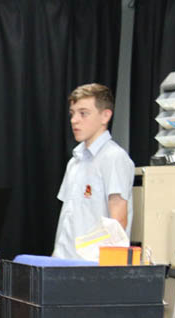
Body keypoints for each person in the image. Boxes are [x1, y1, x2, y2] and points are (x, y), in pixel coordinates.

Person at [53, 83, 135, 259]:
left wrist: (97, 269)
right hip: (64, 263)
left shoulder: (114, 158)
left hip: (91, 265)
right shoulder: (74, 161)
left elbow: (118, 223)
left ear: (105, 116)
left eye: (83, 113)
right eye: (72, 113)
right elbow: (67, 220)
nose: (74, 120)